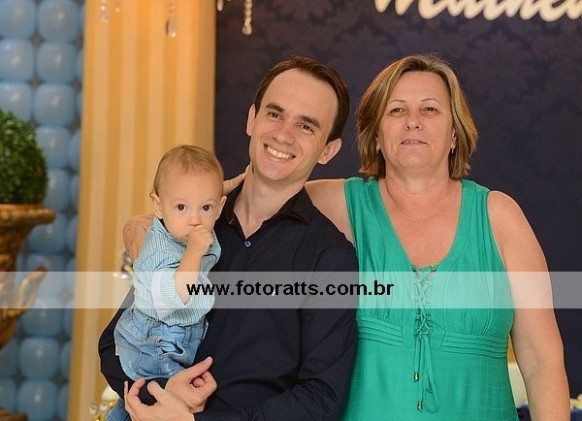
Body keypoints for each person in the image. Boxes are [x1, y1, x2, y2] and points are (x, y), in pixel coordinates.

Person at [306, 54, 570, 420]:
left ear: (454, 134)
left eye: (430, 109)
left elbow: (543, 362)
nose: (413, 121)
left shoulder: (500, 216)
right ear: (376, 135)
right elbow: (255, 198)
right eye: (396, 110)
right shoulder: (333, 205)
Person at [99, 56, 359, 421]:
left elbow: (320, 399)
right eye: (275, 114)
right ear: (252, 119)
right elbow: (113, 343)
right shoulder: (187, 223)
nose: (283, 134)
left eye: (306, 126)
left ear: (328, 149)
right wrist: (161, 394)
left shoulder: (330, 259)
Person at [107, 145, 227, 421]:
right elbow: (175, 294)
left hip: (177, 334)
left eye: (206, 207)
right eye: (181, 207)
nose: (195, 219)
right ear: (159, 206)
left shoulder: (185, 230)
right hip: (156, 341)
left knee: (133, 407)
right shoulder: (160, 250)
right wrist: (194, 252)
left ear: (219, 207)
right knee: (164, 407)